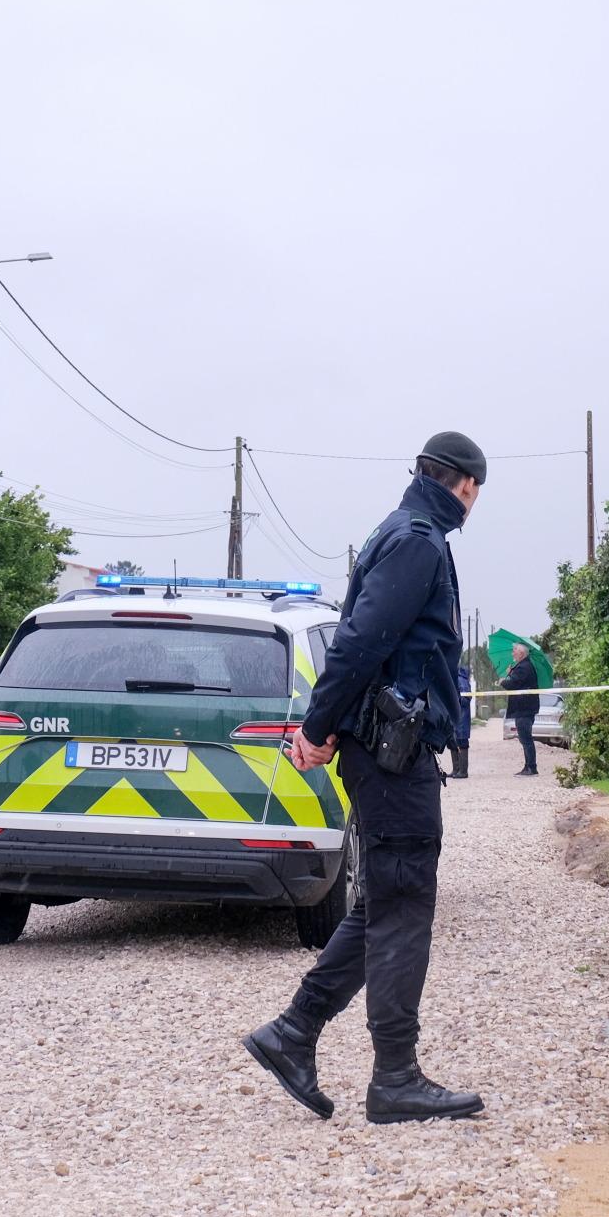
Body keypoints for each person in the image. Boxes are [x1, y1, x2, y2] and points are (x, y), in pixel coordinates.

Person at [244, 432, 486, 1125]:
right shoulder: (418, 541)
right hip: (393, 755)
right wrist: (317, 729)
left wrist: (326, 728)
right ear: (464, 485)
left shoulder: (399, 531)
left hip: (386, 752)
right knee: (406, 906)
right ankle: (396, 1078)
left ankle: (293, 1034)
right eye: (475, 496)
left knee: (382, 899)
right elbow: (360, 643)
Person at [502, 642, 543, 776]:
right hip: (524, 708)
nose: (512, 653)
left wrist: (503, 681)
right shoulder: (521, 667)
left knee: (526, 738)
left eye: (514, 650)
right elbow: (518, 681)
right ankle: (528, 766)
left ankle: (532, 767)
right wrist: (511, 672)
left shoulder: (524, 667)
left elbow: (513, 684)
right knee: (524, 738)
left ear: (521, 653)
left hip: (525, 708)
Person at [446, 662, 473, 779]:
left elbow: (466, 698)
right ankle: (456, 769)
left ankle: (463, 771)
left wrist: (454, 701)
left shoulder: (460, 679)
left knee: (462, 741)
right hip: (454, 716)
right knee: (453, 741)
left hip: (461, 716)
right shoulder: (453, 677)